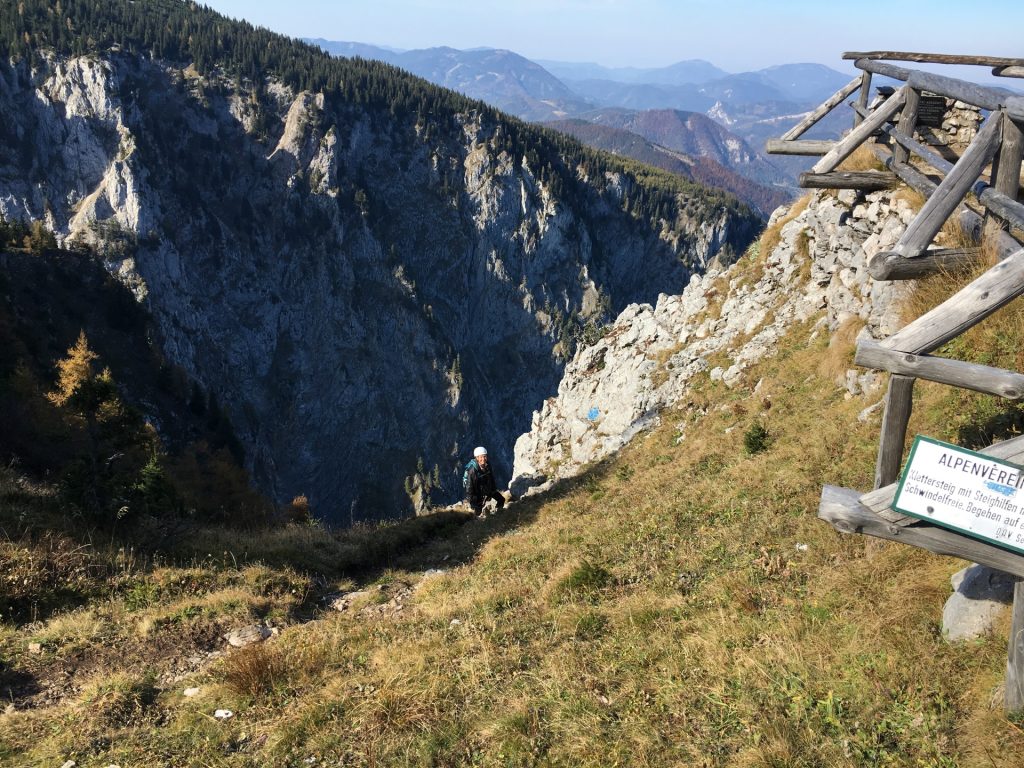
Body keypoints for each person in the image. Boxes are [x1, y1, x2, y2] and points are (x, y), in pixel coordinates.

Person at [464, 446, 505, 516]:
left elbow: (491, 477)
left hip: (487, 489)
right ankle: (476, 524)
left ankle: (498, 515)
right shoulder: (472, 471)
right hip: (477, 494)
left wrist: (493, 489)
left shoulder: (487, 465)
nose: (483, 459)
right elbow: (469, 487)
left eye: (485, 456)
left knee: (501, 500)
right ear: (477, 458)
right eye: (481, 457)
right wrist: (472, 500)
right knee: (478, 512)